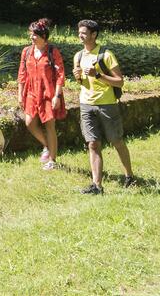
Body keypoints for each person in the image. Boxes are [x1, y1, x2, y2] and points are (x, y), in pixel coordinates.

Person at [73, 19, 134, 194]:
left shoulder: (106, 55)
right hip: (86, 104)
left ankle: (129, 175)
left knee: (116, 141)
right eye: (79, 32)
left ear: (94, 35)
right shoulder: (78, 56)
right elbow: (83, 82)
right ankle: (97, 185)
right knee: (93, 144)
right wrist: (78, 77)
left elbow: (120, 82)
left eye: (84, 33)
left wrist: (98, 75)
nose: (80, 35)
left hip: (107, 105)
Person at [17, 18, 66, 170]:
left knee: (49, 125)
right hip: (31, 92)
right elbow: (22, 74)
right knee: (29, 122)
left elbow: (60, 75)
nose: (31, 37)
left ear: (43, 36)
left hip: (48, 93)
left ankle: (52, 160)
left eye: (34, 35)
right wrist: (20, 94)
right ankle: (46, 145)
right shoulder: (26, 52)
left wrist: (57, 97)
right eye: (31, 34)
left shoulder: (52, 52)